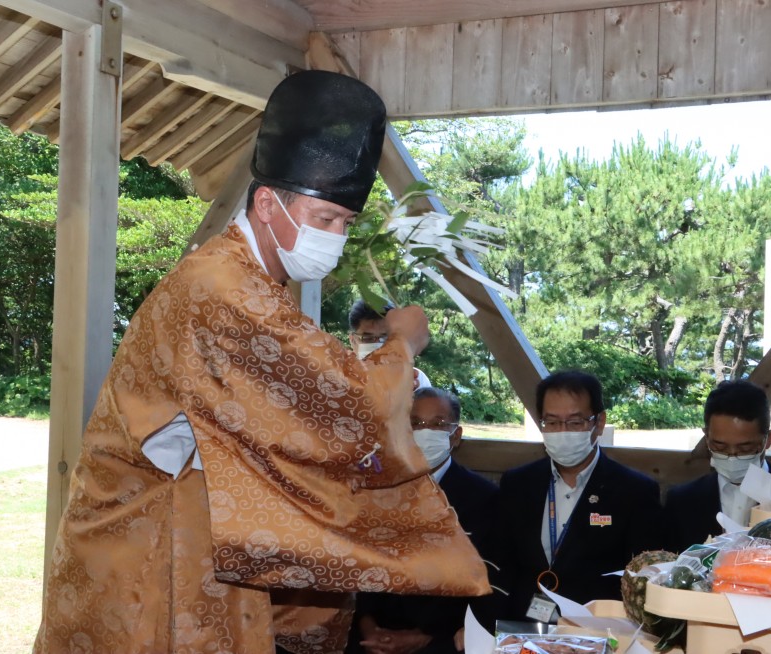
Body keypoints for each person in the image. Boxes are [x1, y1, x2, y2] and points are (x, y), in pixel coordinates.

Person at [34, 70, 489, 654]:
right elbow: (347, 406)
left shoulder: (249, 279)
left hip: (191, 535)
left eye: (345, 224)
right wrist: (402, 345)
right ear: (269, 203)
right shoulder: (224, 287)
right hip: (149, 547)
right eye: (325, 219)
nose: (336, 236)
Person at [485, 370, 663, 624]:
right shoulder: (518, 483)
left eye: (575, 422)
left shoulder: (634, 491)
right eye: (552, 422)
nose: (563, 432)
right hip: (523, 625)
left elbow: (642, 578)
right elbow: (499, 562)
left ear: (598, 423)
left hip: (596, 630)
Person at [349, 387, 498, 654]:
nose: (425, 431)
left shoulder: (484, 499)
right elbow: (362, 562)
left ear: (456, 436)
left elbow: (486, 580)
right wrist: (367, 623)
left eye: (438, 424)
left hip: (445, 639)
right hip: (371, 633)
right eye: (416, 423)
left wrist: (428, 637)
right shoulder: (377, 489)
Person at [663, 379, 771, 554]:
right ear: (706, 438)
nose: (731, 456)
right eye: (720, 446)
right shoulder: (681, 502)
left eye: (745, 448)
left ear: (767, 440)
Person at [349, 299, 432, 389]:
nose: (378, 346)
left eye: (385, 338)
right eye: (368, 339)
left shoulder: (417, 381)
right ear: (352, 340)